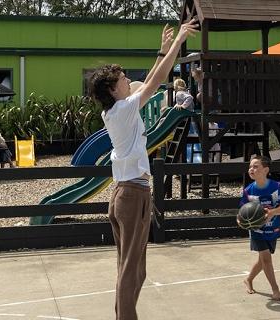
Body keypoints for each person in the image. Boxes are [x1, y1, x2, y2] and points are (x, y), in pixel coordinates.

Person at [88, 20, 196, 320]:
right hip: (132, 195)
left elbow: (150, 82)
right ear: (113, 88)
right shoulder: (123, 109)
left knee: (133, 270)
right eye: (123, 78)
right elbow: (156, 82)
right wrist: (177, 44)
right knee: (131, 271)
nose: (127, 80)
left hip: (127, 194)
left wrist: (162, 52)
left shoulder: (116, 110)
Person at [238, 154, 280, 301]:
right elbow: (242, 211)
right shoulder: (248, 191)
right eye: (250, 167)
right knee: (266, 259)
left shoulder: (276, 187)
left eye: (255, 166)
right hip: (256, 230)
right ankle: (276, 290)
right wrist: (239, 220)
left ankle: (248, 279)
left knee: (262, 261)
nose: (251, 169)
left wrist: (272, 212)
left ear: (265, 170)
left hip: (273, 228)